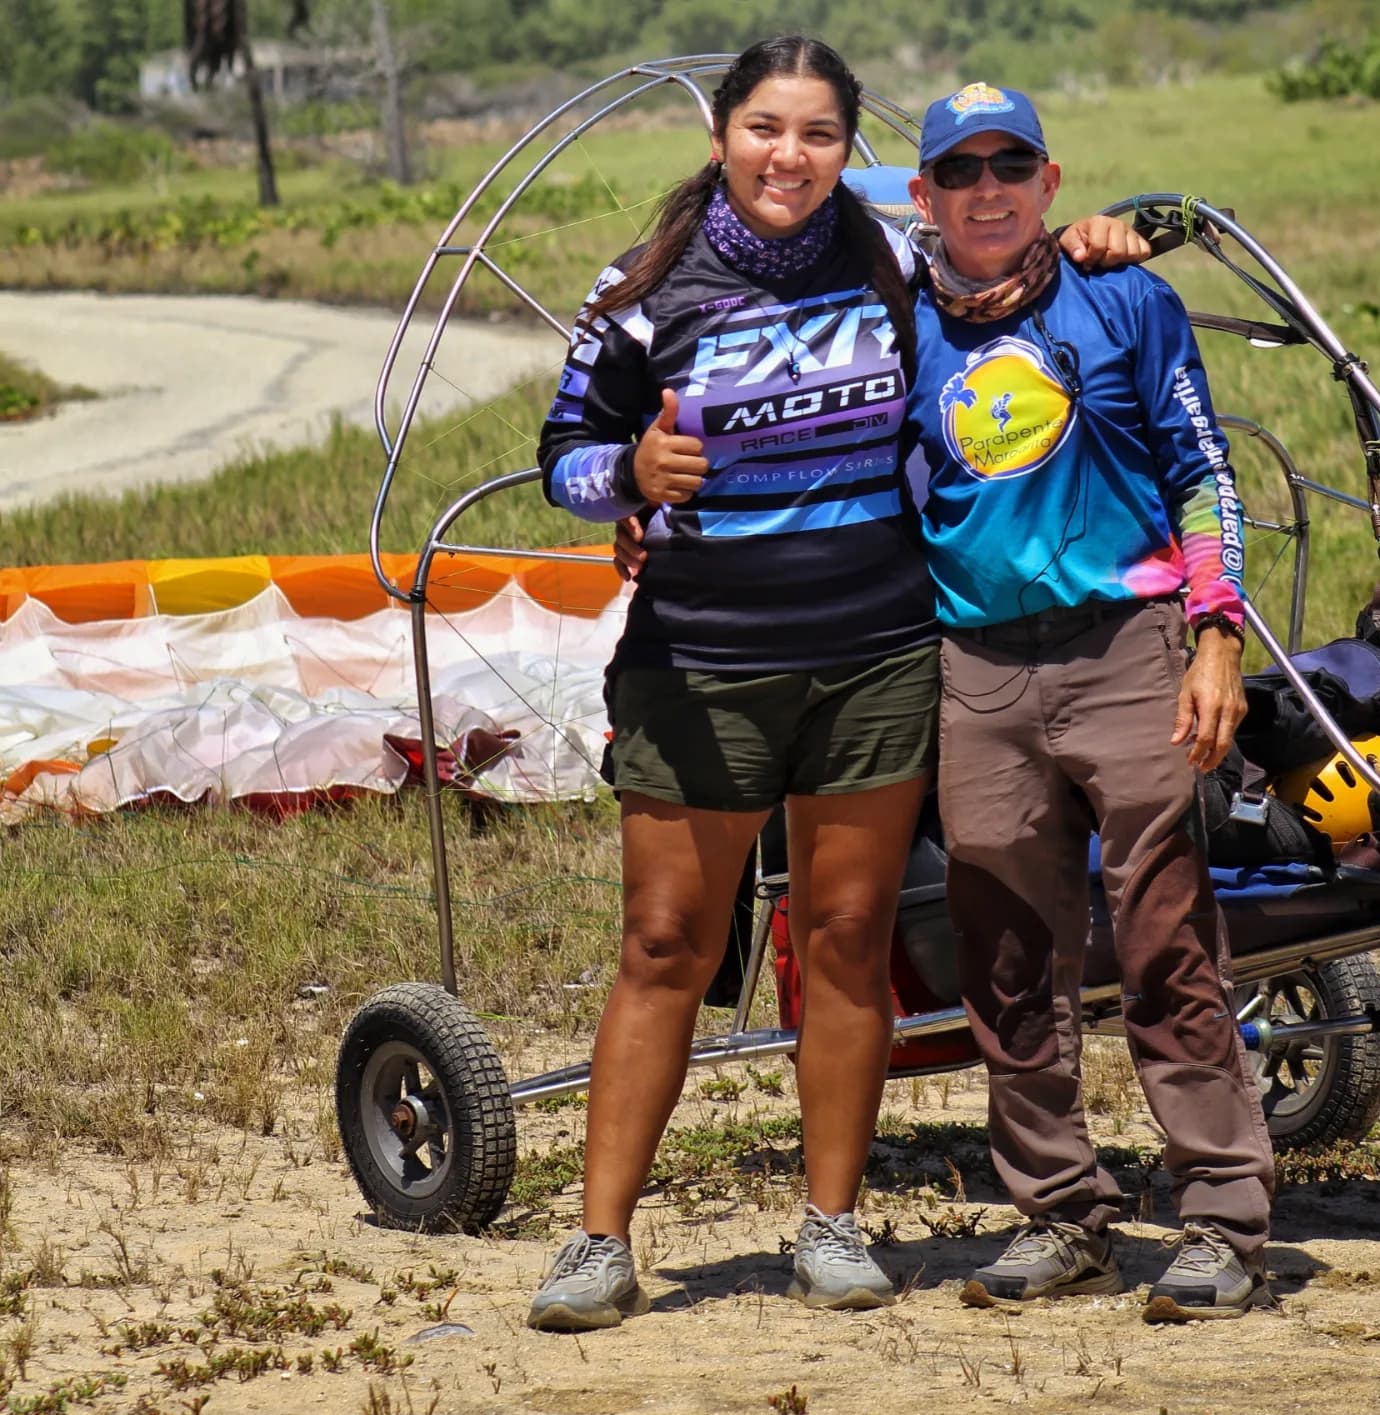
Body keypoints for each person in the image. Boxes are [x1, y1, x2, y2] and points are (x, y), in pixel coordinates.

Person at [527, 39, 1139, 1332]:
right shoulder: (641, 290)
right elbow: (563, 455)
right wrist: (628, 477)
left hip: (877, 652)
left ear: (847, 148)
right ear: (719, 139)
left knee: (848, 940)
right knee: (664, 945)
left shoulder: (898, 261)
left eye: (816, 133)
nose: (788, 156)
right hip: (701, 661)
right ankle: (598, 1243)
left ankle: (833, 1225)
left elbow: (1009, 263)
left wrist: (1095, 235)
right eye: (764, 128)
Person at [903, 83, 1275, 1322]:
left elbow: (1204, 472)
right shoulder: (899, 321)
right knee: (1007, 956)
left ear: (1049, 180)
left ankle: (1222, 1217)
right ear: (926, 196)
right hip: (979, 668)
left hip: (1129, 647)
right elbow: (801, 210)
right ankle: (1062, 1214)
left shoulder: (1126, 299)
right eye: (961, 171)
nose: (989, 190)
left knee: (1168, 941)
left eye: (1012, 166)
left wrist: (1215, 641)